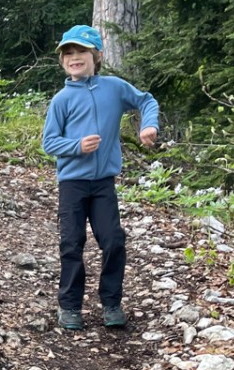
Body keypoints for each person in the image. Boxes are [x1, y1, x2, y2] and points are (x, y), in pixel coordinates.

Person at [41, 23, 159, 331]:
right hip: (72, 184)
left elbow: (146, 100)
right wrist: (76, 146)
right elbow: (49, 142)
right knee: (71, 243)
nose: (74, 57)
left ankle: (111, 303)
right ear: (62, 61)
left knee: (113, 241)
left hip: (104, 183)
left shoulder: (115, 88)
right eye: (68, 53)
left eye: (81, 51)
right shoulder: (61, 100)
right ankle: (69, 307)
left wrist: (149, 125)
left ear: (97, 56)